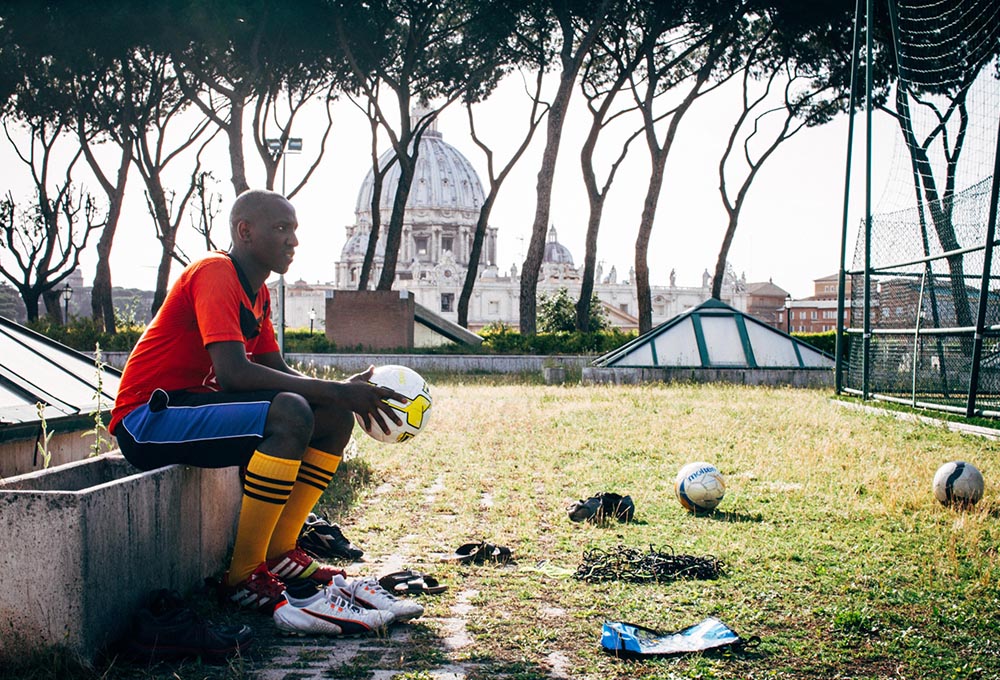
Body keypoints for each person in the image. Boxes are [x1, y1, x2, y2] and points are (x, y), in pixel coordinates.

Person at [109, 189, 418, 628]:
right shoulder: (215, 273)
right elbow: (235, 374)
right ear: (245, 232)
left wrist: (338, 395)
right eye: (281, 229)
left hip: (193, 407)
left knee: (330, 416)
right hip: (148, 419)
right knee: (292, 412)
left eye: (294, 230)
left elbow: (276, 370)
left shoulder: (259, 294)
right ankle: (243, 576)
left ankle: (281, 554)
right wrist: (332, 389)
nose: (293, 240)